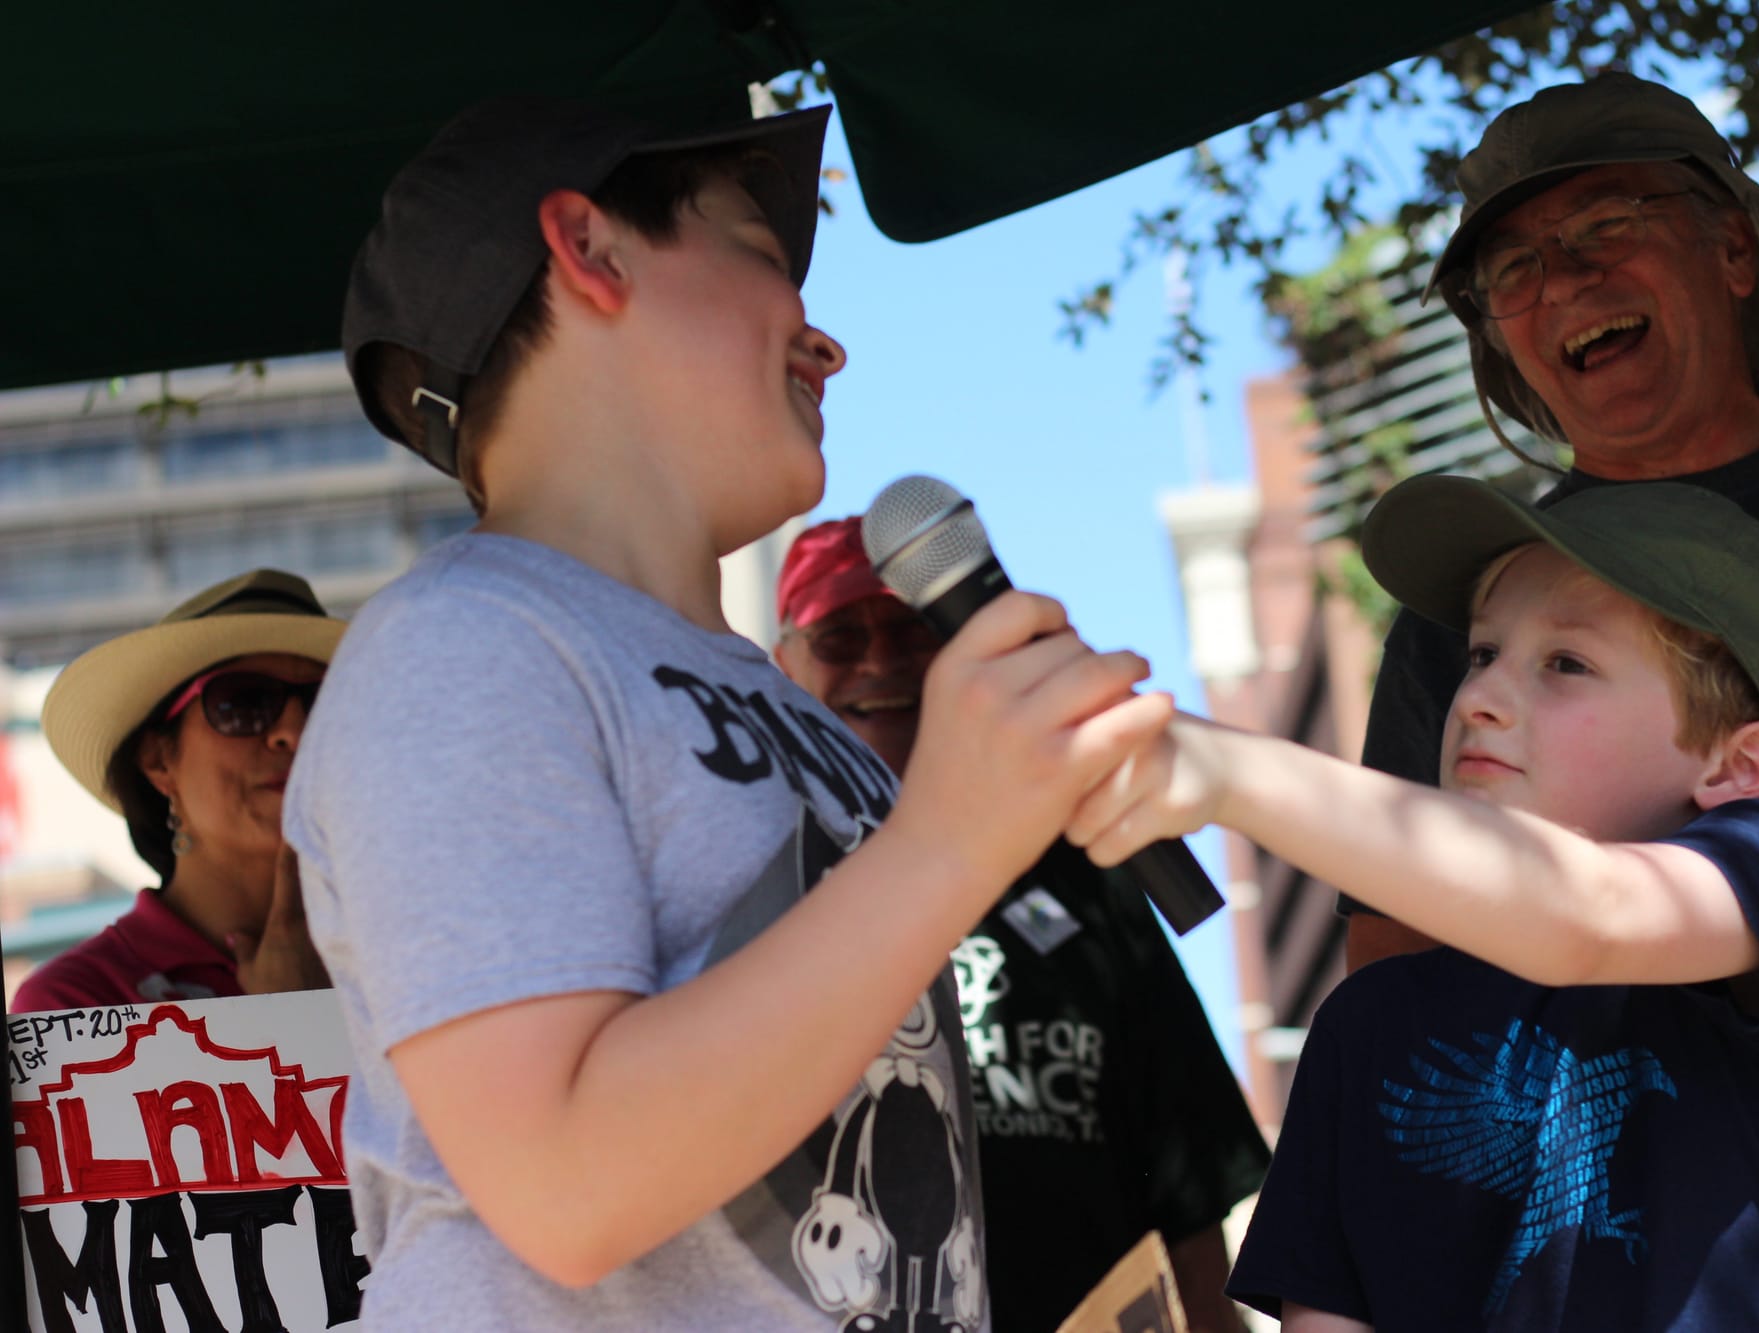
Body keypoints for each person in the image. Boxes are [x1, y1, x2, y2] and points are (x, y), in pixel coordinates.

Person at [285, 95, 1169, 1331]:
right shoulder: (459, 643)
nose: (826, 345)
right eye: (757, 248)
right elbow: (566, 1185)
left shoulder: (772, 699)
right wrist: (947, 842)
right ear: (588, 250)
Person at [1349, 71, 1759, 1328]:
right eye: (1513, 269)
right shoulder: (1463, 625)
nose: (1562, 280)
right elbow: (1402, 996)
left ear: (1732, 251)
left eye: (1605, 225)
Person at [1070, 475, 1759, 1329]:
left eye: (1566, 663)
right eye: (1483, 653)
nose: (1478, 697)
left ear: (1737, 767)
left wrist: (1228, 773)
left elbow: (1587, 915)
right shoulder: (1363, 1024)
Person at [771, 517, 1271, 1333]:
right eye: (839, 637)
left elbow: (1189, 1183)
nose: (879, 659)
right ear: (784, 667)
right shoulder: (763, 880)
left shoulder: (1081, 864)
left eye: (910, 628)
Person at [14, 569, 343, 1012]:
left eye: (325, 701)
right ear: (158, 759)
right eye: (243, 703)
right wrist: (299, 1013)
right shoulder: (75, 1002)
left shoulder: (408, 950)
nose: (295, 732)